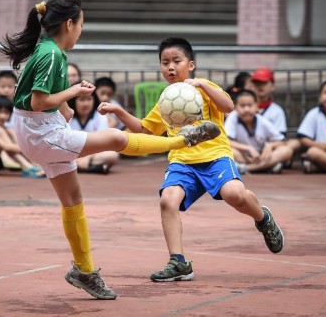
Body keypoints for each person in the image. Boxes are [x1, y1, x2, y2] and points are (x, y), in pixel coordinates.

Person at [0, 0, 219, 300]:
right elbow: (37, 101)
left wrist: (63, 108)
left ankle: (84, 271)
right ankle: (184, 139)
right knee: (115, 139)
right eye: (82, 24)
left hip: (38, 126)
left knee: (72, 198)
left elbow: (38, 97)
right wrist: (73, 92)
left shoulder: (49, 50)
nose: (81, 30)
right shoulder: (52, 55)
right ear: (69, 24)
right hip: (38, 131)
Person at [99, 37, 284, 283]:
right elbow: (145, 129)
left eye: (177, 61)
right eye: (165, 62)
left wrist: (203, 86)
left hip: (216, 157)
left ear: (191, 64)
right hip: (182, 162)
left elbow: (229, 106)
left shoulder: (204, 87)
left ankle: (263, 218)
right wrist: (118, 111)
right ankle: (178, 262)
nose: (171, 67)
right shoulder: (167, 99)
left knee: (235, 195)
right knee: (168, 200)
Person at [225, 89, 293, 174]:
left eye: (250, 105)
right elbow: (226, 141)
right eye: (242, 105)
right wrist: (248, 149)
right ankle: (266, 167)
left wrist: (269, 146)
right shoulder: (232, 118)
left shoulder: (263, 121)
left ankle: (247, 168)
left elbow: (282, 141)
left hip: (262, 157)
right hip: (243, 156)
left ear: (257, 106)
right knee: (227, 150)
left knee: (287, 150)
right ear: (235, 107)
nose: (246, 109)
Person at [250, 67, 301, 165]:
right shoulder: (244, 107)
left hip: (270, 150)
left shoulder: (276, 110)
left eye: (264, 83)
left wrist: (269, 146)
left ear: (272, 86)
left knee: (291, 145)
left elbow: (281, 139)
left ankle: (250, 166)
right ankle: (270, 165)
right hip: (248, 150)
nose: (260, 86)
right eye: (257, 83)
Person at [68, 93, 119, 174]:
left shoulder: (100, 116)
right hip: (72, 154)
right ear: (74, 101)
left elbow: (103, 142)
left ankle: (76, 167)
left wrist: (87, 158)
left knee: (112, 155)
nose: (86, 104)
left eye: (89, 99)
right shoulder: (68, 115)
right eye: (82, 100)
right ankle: (94, 168)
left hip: (93, 153)